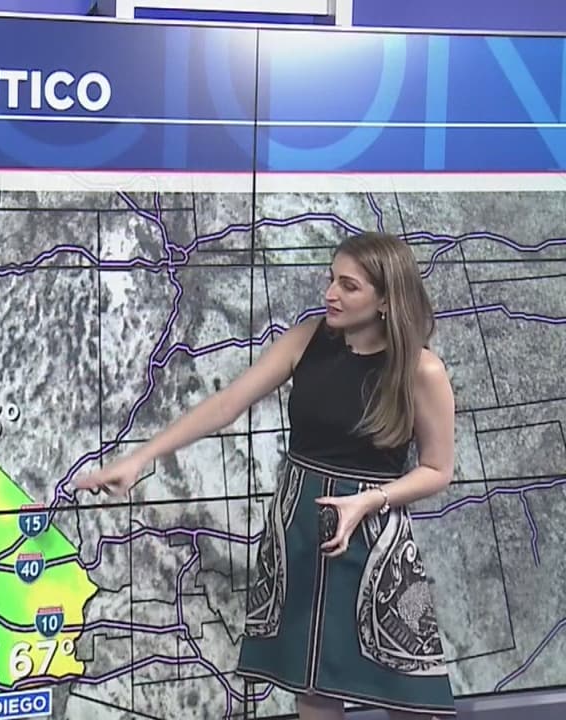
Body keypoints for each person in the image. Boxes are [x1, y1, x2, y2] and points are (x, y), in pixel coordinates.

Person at [75, 231, 457, 719]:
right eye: (331, 280)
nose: (330, 294)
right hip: (298, 530)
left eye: (349, 286)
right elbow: (226, 404)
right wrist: (140, 458)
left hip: (375, 540)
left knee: (405, 689)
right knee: (311, 684)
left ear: (386, 300)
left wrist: (370, 500)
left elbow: (437, 469)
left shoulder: (421, 370)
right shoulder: (306, 340)